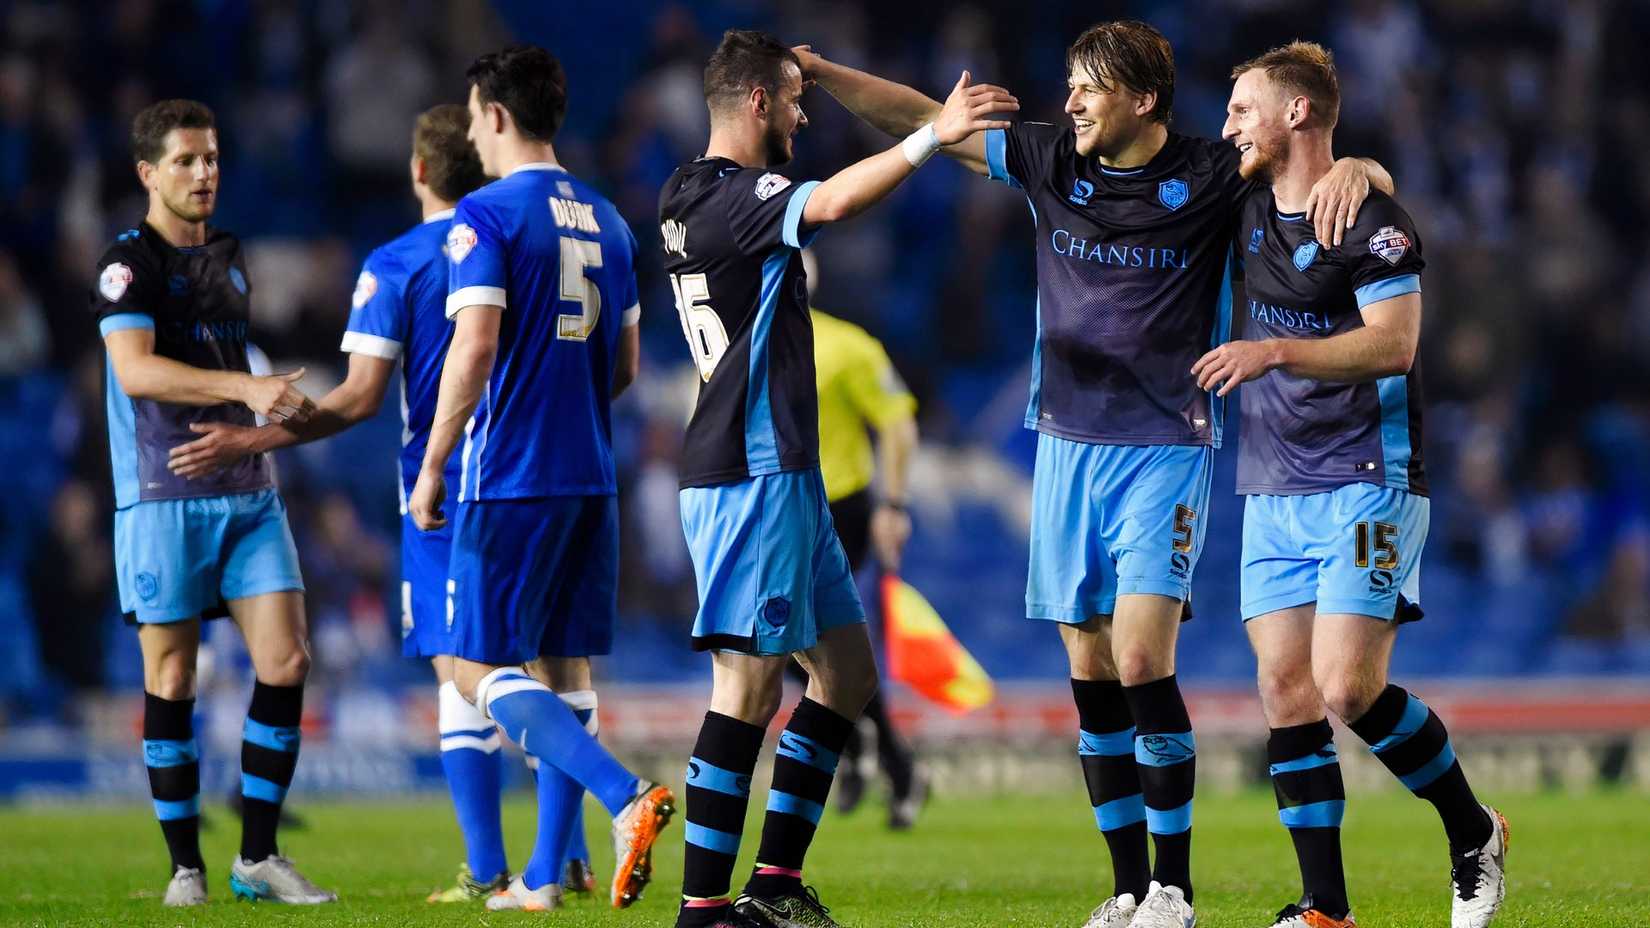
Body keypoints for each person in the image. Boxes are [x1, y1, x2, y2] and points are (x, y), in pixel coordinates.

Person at [797, 21, 1391, 928]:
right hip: (1066, 444)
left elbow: (1310, 170)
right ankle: (1126, 888)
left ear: (1142, 100)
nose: (1069, 101)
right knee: (1089, 669)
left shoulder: (1212, 173)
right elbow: (922, 119)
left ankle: (1174, 890)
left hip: (1165, 444)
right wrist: (822, 70)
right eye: (1070, 84)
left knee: (1143, 657)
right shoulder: (1050, 162)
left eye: (1089, 86)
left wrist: (1366, 170)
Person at [165, 102, 604, 903]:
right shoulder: (540, 233)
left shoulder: (403, 260)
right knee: (555, 660)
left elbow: (361, 396)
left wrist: (254, 436)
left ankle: (520, 849)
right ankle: (565, 859)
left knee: (463, 672)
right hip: (555, 470)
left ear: (419, 169)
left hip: (451, 487)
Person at [659, 29, 1014, 928]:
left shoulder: (685, 192)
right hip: (750, 471)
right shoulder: (736, 198)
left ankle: (775, 884)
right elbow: (835, 200)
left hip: (784, 474)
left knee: (848, 674)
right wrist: (934, 135)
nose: (804, 115)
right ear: (756, 103)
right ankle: (703, 911)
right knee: (747, 686)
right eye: (793, 98)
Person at [1193, 41, 1508, 928]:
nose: (1228, 127)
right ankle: (1323, 907)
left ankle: (1473, 831)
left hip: (1368, 477)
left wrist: (1274, 350)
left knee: (1346, 689)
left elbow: (1394, 345)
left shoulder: (1375, 221)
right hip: (1272, 482)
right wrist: (1363, 158)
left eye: (1242, 109)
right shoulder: (1244, 205)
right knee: (1285, 692)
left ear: (1296, 112)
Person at [406, 46, 666, 913]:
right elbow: (624, 364)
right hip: (591, 473)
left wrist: (435, 462)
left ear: (495, 114)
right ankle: (545, 878)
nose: (473, 136)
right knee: (565, 670)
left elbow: (474, 344)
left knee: (473, 667)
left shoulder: (482, 214)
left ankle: (625, 794)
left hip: (511, 474)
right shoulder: (610, 219)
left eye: (476, 117)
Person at [94, 98, 334, 906]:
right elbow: (135, 370)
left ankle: (257, 858)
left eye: (213, 159)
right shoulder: (127, 264)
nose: (205, 174)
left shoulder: (230, 258)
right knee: (172, 678)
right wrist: (245, 388)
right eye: (187, 161)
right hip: (162, 492)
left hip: (246, 491)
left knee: (287, 660)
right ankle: (185, 869)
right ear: (148, 173)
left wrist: (270, 417)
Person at [792, 249, 925, 830]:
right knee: (798, 648)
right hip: (780, 511)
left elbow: (898, 424)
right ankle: (885, 759)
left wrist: (893, 505)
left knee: (807, 644)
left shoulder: (847, 346)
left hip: (838, 509)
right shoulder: (746, 344)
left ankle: (864, 750)